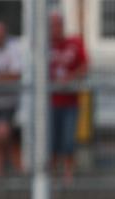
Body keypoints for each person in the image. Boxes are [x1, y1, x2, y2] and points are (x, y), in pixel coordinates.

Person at [49, 12, 88, 181]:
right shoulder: (45, 45)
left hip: (70, 101)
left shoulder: (74, 43)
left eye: (58, 25)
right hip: (50, 102)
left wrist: (69, 79)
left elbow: (85, 66)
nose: (55, 29)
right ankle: (50, 173)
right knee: (51, 139)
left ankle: (68, 174)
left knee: (68, 139)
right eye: (52, 25)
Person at [0, 20, 21, 176]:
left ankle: (3, 167)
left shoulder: (13, 47)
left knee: (2, 133)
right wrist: (4, 77)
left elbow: (16, 75)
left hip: (7, 102)